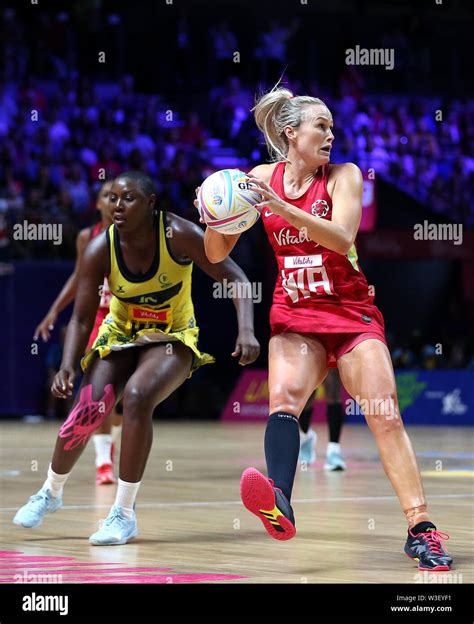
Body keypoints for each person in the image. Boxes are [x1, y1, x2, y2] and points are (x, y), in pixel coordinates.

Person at [201, 88, 452, 571]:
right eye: (322, 127)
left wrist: (280, 205)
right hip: (295, 314)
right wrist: (215, 216)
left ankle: (422, 530)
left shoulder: (344, 177)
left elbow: (341, 238)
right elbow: (215, 253)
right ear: (291, 133)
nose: (332, 136)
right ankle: (279, 501)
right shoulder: (256, 179)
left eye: (333, 128)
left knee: (384, 414)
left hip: (349, 313)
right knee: (285, 400)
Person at [14, 171, 260, 545]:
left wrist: (245, 330)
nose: (117, 205)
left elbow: (237, 279)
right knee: (89, 408)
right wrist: (66, 366)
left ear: (150, 204)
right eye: (112, 198)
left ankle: (123, 515)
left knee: (137, 397)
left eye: (128, 199)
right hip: (122, 334)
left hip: (171, 337)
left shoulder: (178, 234)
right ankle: (50, 492)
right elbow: (81, 317)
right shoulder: (100, 247)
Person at [34, 180, 122, 485]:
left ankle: (110, 445)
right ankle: (103, 463)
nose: (113, 202)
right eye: (107, 196)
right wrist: (54, 310)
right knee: (99, 390)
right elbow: (78, 276)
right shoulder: (88, 237)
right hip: (100, 316)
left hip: (130, 315)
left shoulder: (137, 234)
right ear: (97, 204)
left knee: (121, 400)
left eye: (119, 197)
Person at [298, 369, 347, 470]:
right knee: (307, 394)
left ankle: (334, 451)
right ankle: (306, 436)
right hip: (310, 353)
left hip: (331, 354)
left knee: (333, 390)